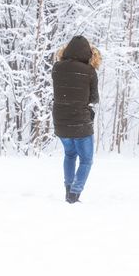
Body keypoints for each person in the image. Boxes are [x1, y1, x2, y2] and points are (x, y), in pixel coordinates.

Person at [52, 35, 100, 204]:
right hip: (80, 123)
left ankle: (68, 190)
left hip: (60, 122)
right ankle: (74, 194)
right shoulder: (89, 72)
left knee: (70, 154)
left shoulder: (57, 68)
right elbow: (94, 98)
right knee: (86, 160)